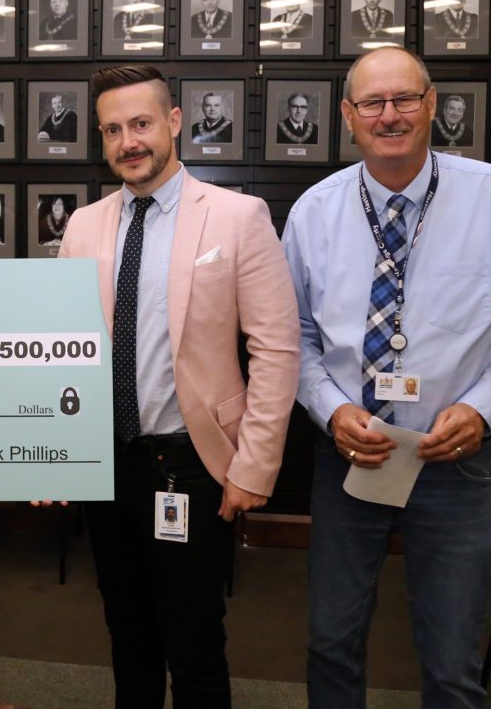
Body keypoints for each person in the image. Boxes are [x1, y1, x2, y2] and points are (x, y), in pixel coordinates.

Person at [57, 64, 299, 709]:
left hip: (191, 464)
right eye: (112, 130)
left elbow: (275, 348)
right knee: (125, 632)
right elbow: (59, 350)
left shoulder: (237, 217)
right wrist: (47, 452)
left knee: (193, 641)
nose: (127, 142)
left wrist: (253, 466)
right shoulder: (83, 226)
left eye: (140, 124)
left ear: (172, 122)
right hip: (106, 462)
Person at [281, 47, 491, 709]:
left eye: (405, 99)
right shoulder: (314, 213)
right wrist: (333, 411)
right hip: (352, 456)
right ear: (348, 116)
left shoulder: (488, 197)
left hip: (457, 462)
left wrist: (484, 409)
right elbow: (295, 340)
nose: (390, 115)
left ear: (432, 105)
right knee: (330, 643)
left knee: (454, 660)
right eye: (373, 103)